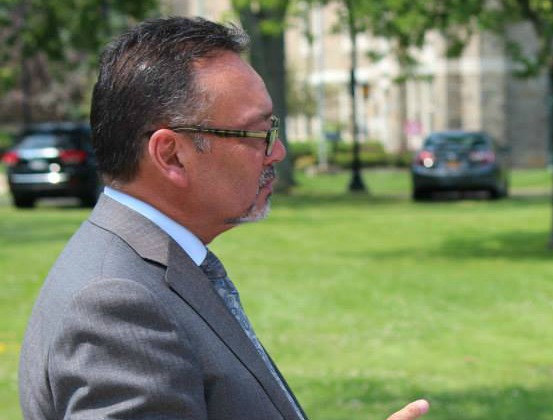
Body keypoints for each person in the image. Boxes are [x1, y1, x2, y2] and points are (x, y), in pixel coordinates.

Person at [18, 17, 428, 420]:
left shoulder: (143, 267)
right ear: (171, 155)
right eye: (258, 134)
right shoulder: (117, 304)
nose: (277, 152)